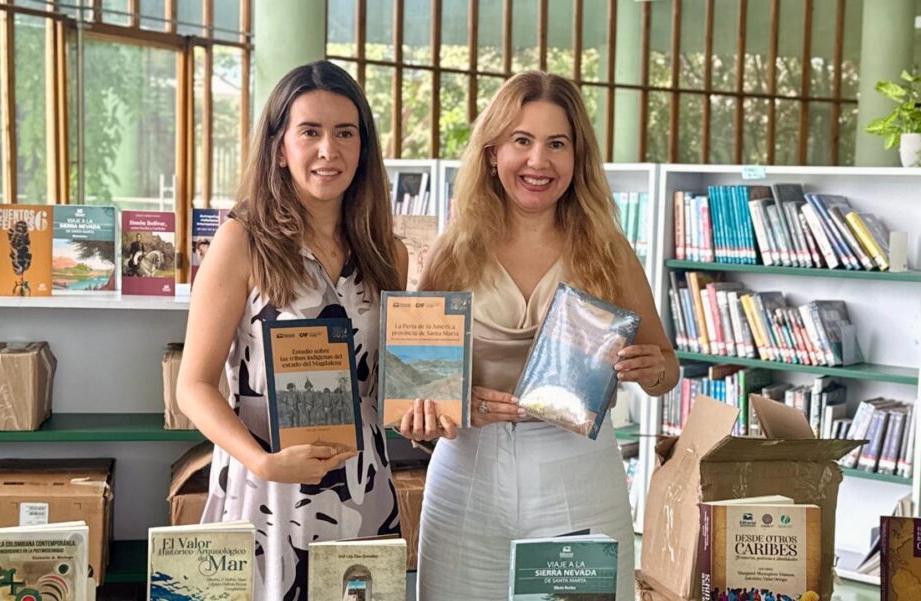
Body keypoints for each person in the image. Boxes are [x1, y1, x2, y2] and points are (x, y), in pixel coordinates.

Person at [403, 71, 680, 600]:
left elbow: (666, 371)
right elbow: (417, 391)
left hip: (580, 476)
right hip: (467, 477)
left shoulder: (608, 250)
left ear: (577, 158)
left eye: (557, 144)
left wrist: (654, 368)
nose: (538, 161)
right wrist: (442, 407)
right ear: (492, 153)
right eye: (521, 141)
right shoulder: (451, 252)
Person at [176, 60, 407, 601]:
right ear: (280, 148)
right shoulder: (242, 241)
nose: (329, 150)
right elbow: (193, 385)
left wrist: (433, 406)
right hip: (267, 488)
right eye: (310, 132)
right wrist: (262, 462)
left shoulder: (386, 254)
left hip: (361, 486)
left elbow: (387, 383)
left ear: (363, 148)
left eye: (345, 133)